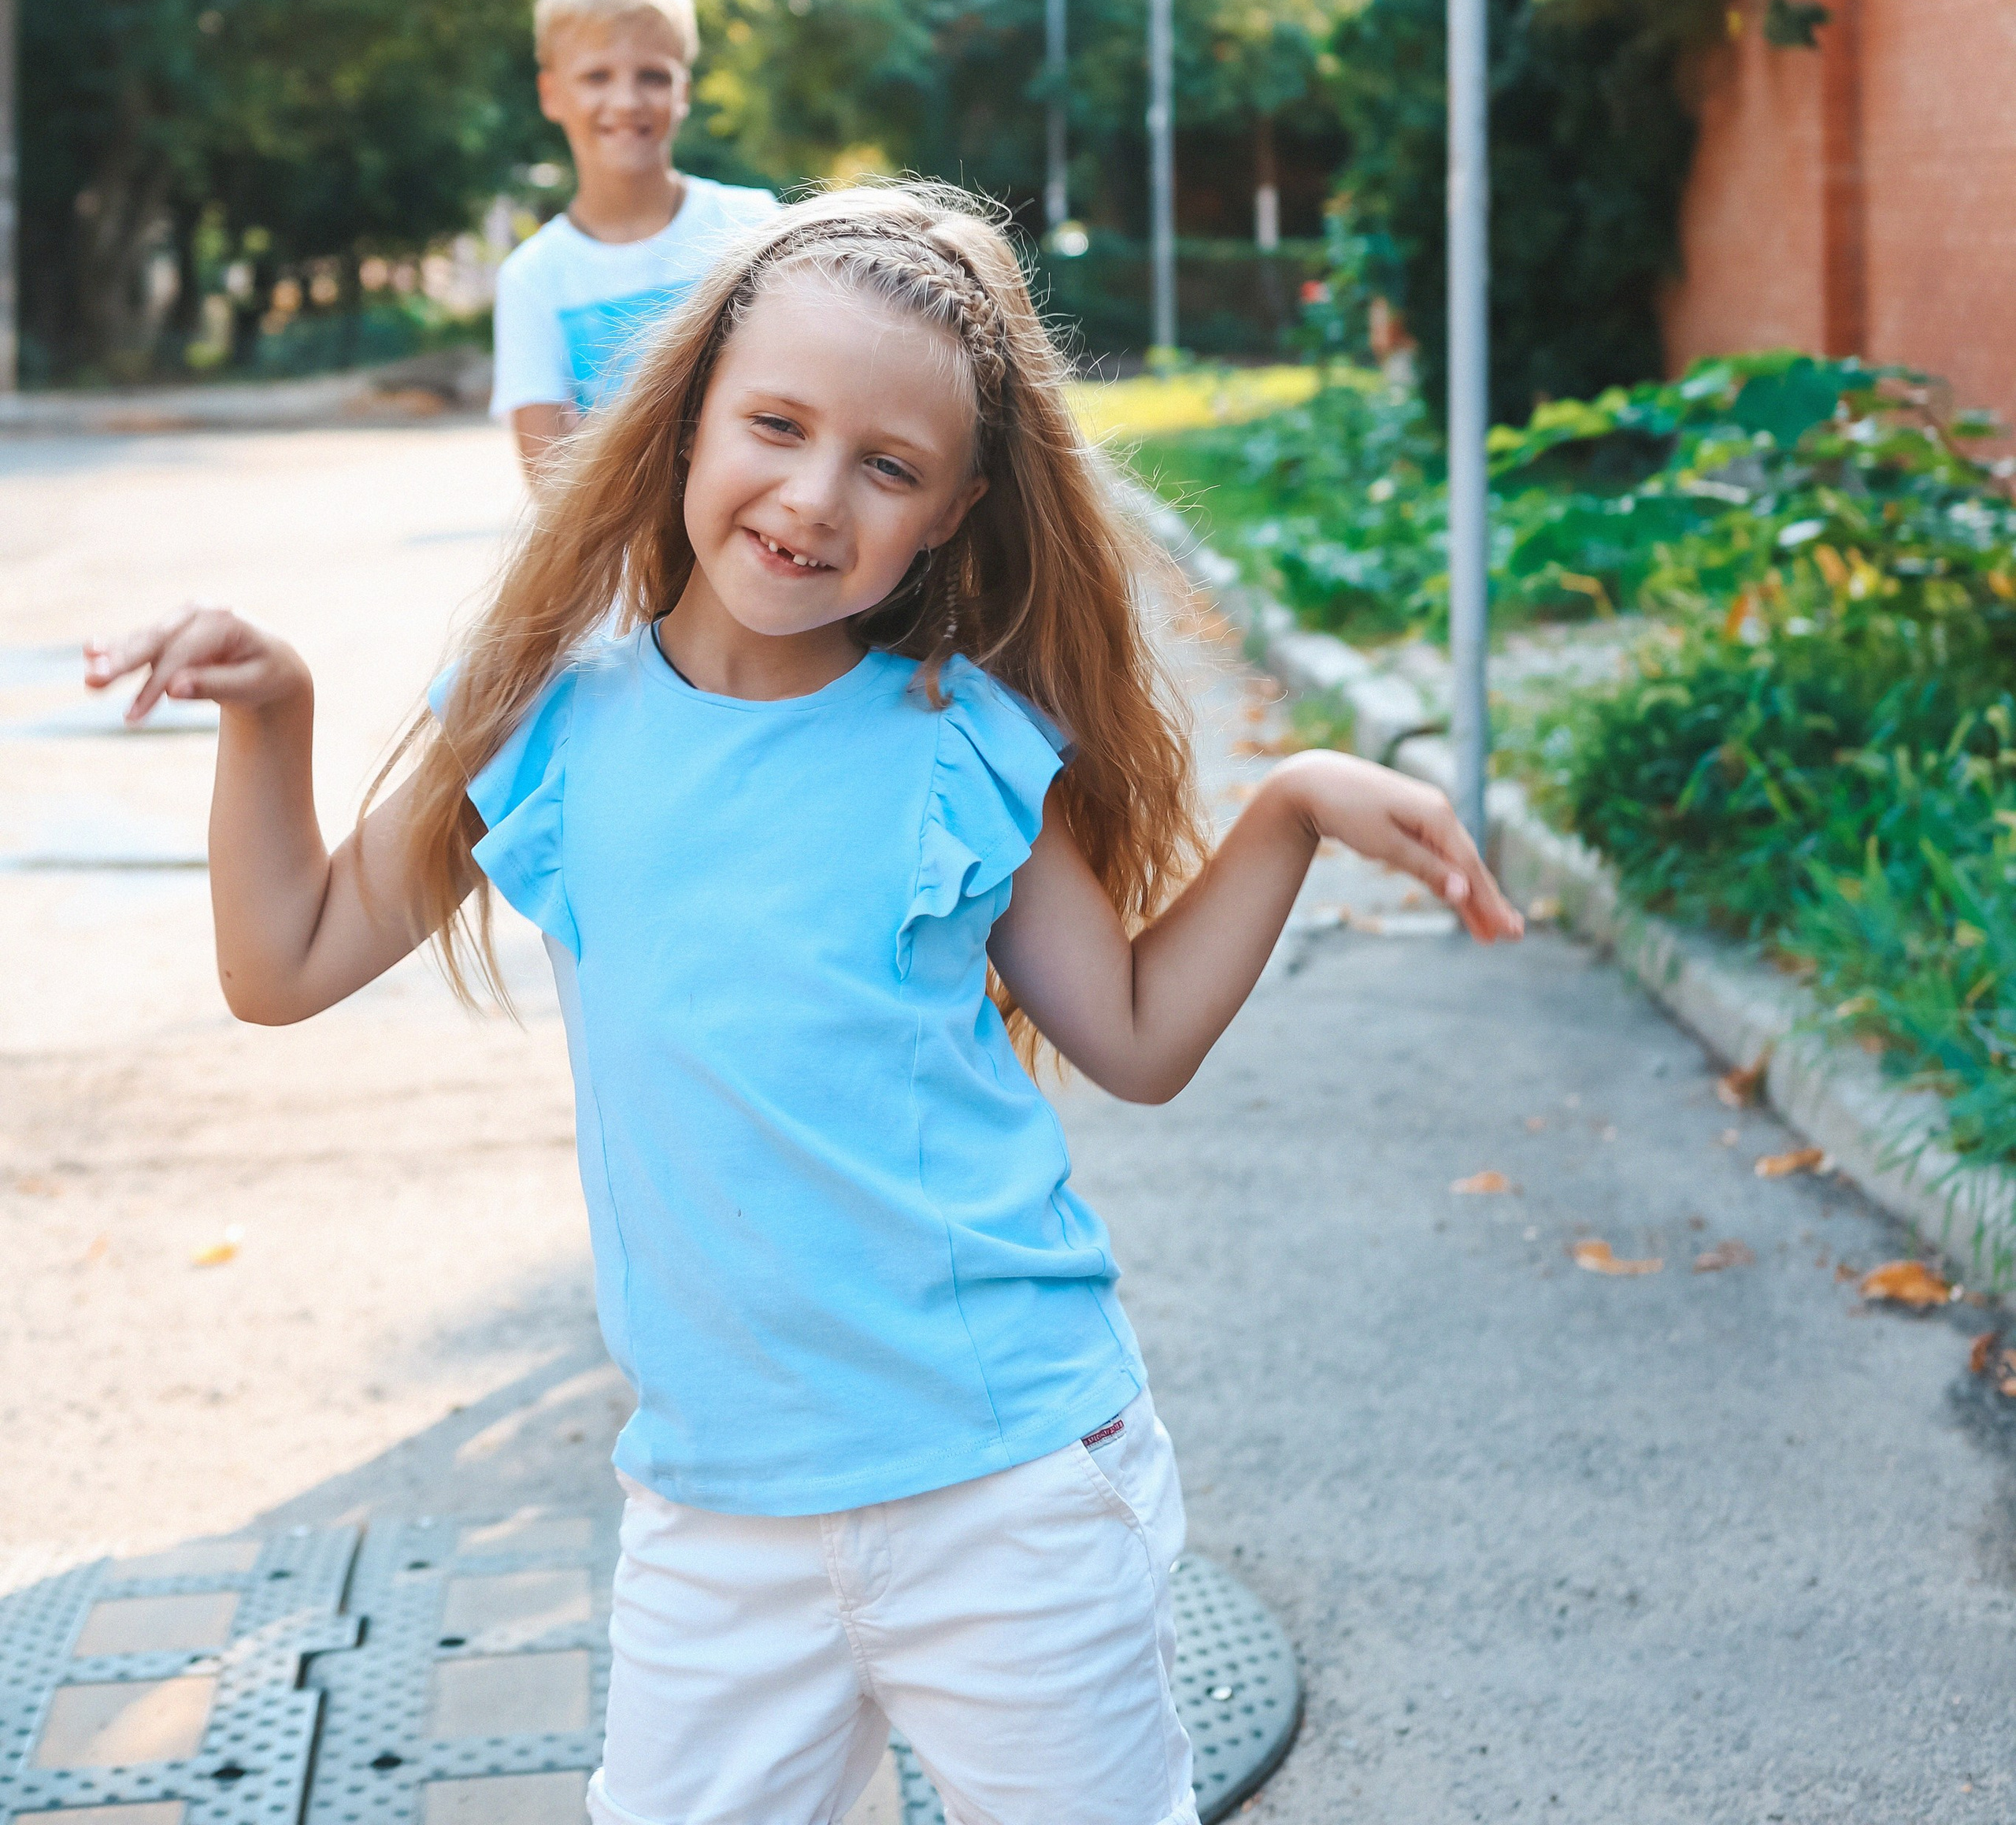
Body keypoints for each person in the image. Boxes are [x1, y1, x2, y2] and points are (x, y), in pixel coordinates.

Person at [85, 184, 1521, 1825]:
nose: (812, 496)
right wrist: (273, 711)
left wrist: (1295, 807)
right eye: (774, 424)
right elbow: (284, 962)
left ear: (954, 509)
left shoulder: (959, 740)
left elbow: (1130, 1036)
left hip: (1008, 1488)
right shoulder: (540, 723)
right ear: (689, 410)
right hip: (715, 1520)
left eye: (887, 467)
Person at [492, 0, 776, 474]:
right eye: (596, 76)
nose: (626, 101)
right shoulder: (533, 279)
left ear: (683, 91)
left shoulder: (753, 226)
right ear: (552, 94)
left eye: (652, 75)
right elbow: (552, 484)